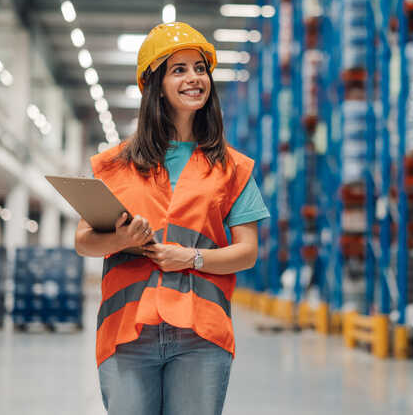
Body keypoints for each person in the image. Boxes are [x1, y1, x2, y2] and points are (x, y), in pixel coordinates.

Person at [74, 22, 270, 415]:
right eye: (178, 70)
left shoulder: (232, 167)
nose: (194, 78)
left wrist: (192, 258)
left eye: (199, 68)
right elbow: (84, 240)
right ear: (154, 84)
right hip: (127, 333)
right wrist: (122, 241)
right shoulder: (114, 164)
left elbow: (247, 252)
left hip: (201, 335)